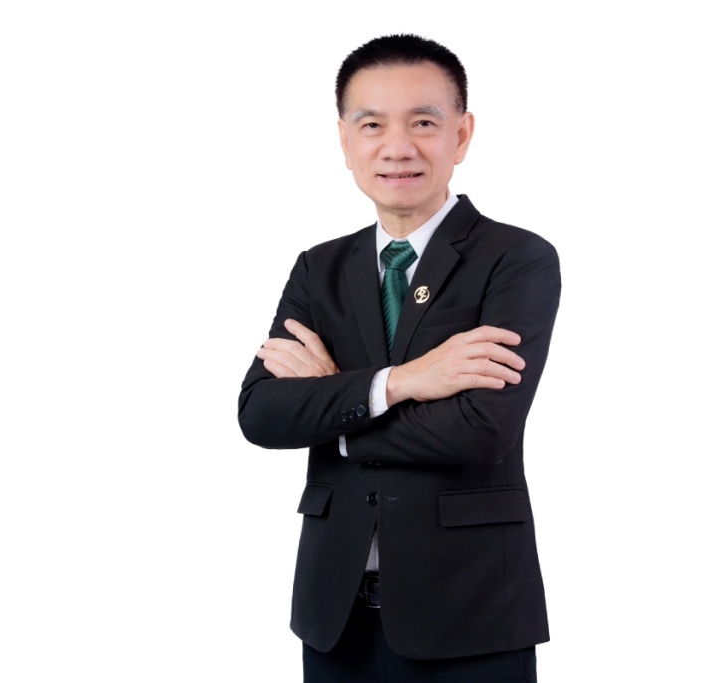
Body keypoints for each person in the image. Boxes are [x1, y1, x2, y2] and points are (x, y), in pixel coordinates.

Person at [238, 33, 561, 682]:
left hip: (470, 609)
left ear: (461, 135)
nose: (397, 147)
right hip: (336, 613)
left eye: (423, 122)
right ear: (344, 140)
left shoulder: (516, 258)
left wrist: (336, 406)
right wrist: (406, 381)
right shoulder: (320, 268)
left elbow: (481, 429)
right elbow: (263, 413)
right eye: (372, 124)